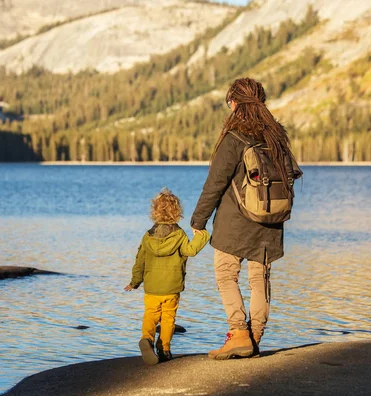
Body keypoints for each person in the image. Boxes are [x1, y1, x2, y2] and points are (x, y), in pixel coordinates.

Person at [191, 77, 297, 359]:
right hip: (271, 221)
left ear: (235, 103)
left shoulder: (234, 138)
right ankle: (255, 337)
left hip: (235, 224)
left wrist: (198, 221)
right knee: (259, 279)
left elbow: (214, 184)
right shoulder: (277, 137)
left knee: (226, 275)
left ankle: (238, 333)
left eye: (230, 102)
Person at [125, 188, 210, 365]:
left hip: (152, 287)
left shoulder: (148, 237)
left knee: (150, 315)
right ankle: (164, 349)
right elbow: (190, 250)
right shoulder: (179, 234)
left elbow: (140, 260)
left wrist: (135, 282)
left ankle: (146, 339)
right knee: (168, 318)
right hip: (171, 287)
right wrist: (202, 236)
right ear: (177, 212)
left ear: (154, 212)